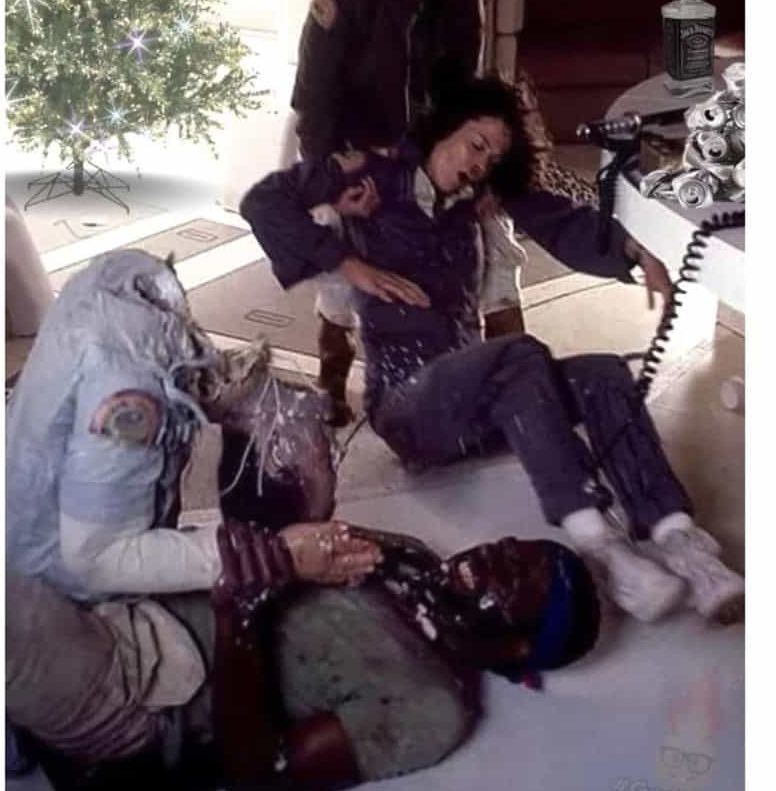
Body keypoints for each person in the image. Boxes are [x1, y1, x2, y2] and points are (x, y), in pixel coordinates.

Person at [5, 249, 599, 791]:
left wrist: (241, 621)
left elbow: (259, 777)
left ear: (518, 647)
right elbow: (272, 540)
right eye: (512, 546)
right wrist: (273, 439)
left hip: (137, 684)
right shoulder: (412, 558)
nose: (496, 552)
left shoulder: (432, 704)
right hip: (127, 593)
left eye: (517, 576)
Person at [241, 75, 745, 628]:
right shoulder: (371, 175)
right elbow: (263, 202)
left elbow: (560, 219)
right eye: (475, 145)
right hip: (408, 407)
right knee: (518, 353)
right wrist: (346, 261)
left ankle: (679, 539)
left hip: (477, 397)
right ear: (443, 130)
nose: (480, 164)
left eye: (492, 158)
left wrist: (632, 250)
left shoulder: (479, 198)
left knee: (602, 374)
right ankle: (605, 549)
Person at [291, 0, 572, 424]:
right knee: (343, 260)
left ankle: (516, 386)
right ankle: (331, 378)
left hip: (436, 155)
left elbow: (466, 100)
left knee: (496, 253)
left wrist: (484, 176)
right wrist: (334, 184)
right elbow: (314, 106)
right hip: (353, 154)